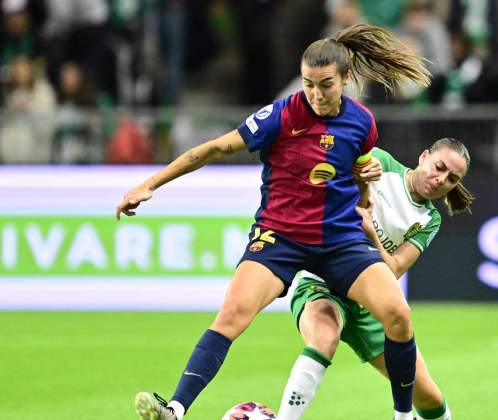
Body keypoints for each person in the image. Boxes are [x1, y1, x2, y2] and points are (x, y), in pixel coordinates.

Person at [116, 23, 431, 420]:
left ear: (346, 79)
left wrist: (364, 188)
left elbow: (355, 176)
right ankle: (176, 409)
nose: (315, 94)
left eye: (325, 84)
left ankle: (403, 417)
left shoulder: (362, 122)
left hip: (340, 241)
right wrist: (150, 184)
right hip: (280, 237)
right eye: (308, 84)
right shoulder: (281, 116)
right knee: (232, 315)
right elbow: (213, 148)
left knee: (398, 315)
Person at [276, 139, 473, 420]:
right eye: (439, 167)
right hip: (324, 282)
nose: (441, 179)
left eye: (452, 178)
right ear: (424, 156)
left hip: (371, 302)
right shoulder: (380, 161)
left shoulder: (429, 218)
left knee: (429, 398)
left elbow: (392, 270)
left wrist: (372, 234)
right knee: (323, 339)